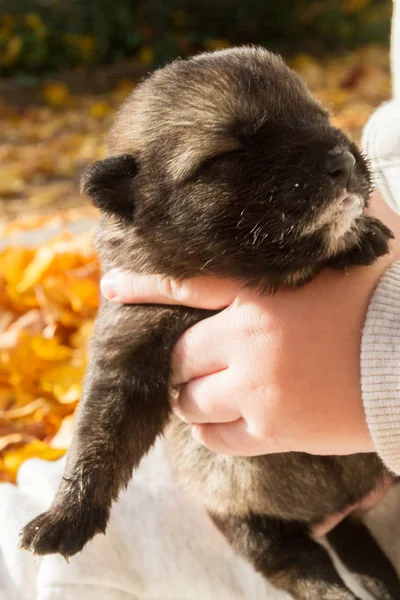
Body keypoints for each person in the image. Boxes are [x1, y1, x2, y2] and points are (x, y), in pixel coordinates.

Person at [1, 4, 400, 599]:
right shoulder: (147, 283)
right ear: (130, 199)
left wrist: (380, 359)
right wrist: (79, 502)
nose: (332, 155)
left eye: (316, 120)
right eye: (234, 157)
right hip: (246, 495)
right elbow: (121, 389)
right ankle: (291, 561)